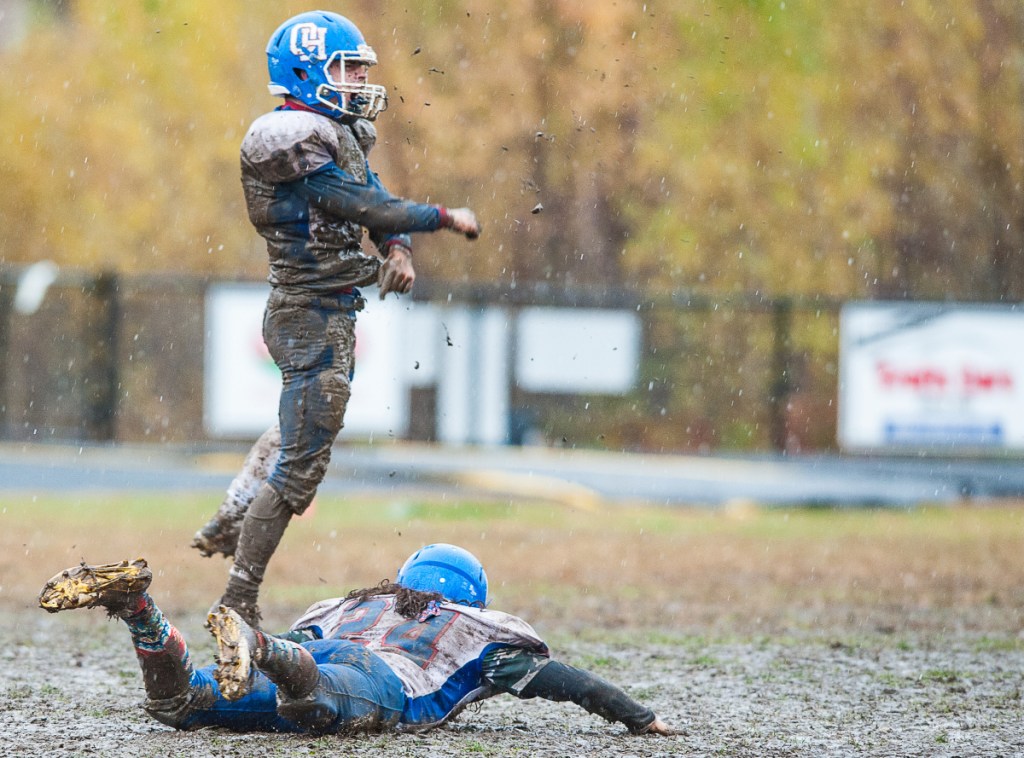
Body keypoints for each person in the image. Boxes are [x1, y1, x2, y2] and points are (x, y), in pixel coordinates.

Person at [193, 10, 482, 626]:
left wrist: (399, 250)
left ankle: (232, 512)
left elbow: (373, 204)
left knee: (298, 438)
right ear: (303, 72)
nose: (357, 79)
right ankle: (237, 599)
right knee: (302, 467)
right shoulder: (285, 135)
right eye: (346, 67)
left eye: (358, 68)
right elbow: (352, 201)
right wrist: (438, 218)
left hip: (332, 310)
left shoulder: (338, 131)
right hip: (305, 312)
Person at [38, 545, 674, 737]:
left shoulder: (354, 602)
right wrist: (639, 718)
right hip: (376, 677)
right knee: (322, 706)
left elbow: (306, 639)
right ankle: (258, 648)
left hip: (310, 647)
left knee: (185, 705)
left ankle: (143, 612)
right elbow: (569, 684)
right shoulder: (478, 628)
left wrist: (269, 647)